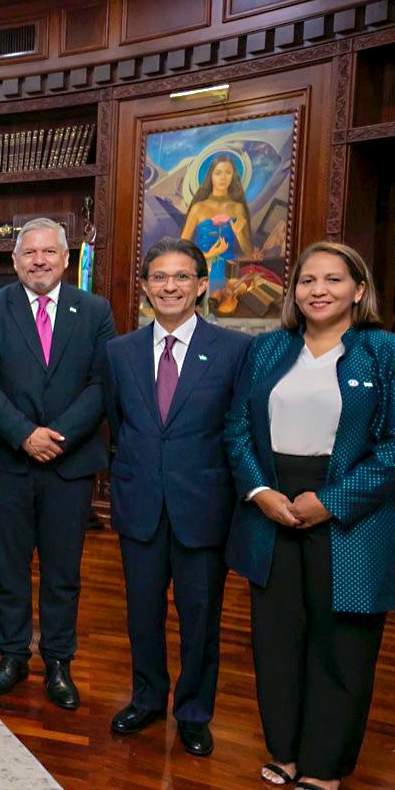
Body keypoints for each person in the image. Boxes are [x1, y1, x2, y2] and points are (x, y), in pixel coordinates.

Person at [225, 241, 395, 790]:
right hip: (272, 512)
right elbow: (237, 427)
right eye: (307, 280)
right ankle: (286, 749)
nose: (318, 290)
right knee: (277, 638)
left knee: (341, 644)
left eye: (333, 280)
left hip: (352, 518)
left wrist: (333, 501)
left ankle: (325, 762)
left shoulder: (392, 353)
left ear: (359, 290)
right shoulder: (266, 351)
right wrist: (261, 491)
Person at [104, 238, 251, 755]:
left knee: (200, 616)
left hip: (203, 508)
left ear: (202, 285)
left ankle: (193, 711)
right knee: (141, 613)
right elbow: (119, 424)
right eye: (160, 278)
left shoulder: (235, 350)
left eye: (182, 277)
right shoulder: (119, 352)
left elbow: (241, 427)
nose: (170, 287)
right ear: (145, 287)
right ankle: (146, 699)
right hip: (139, 502)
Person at [0, 217, 114, 710]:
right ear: (14, 261)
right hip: (6, 462)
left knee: (62, 570)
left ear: (66, 258)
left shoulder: (95, 310)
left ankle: (58, 661)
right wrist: (24, 435)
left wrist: (58, 437)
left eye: (48, 252)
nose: (38, 260)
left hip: (68, 466)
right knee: (8, 567)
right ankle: (11, 655)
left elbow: (101, 384)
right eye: (29, 253)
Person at [180, 153, 254, 297]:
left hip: (230, 274)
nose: (223, 177)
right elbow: (182, 247)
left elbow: (249, 253)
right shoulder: (198, 208)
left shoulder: (237, 208)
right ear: (211, 176)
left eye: (228, 172)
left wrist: (239, 234)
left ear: (233, 176)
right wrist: (208, 255)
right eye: (218, 172)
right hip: (201, 269)